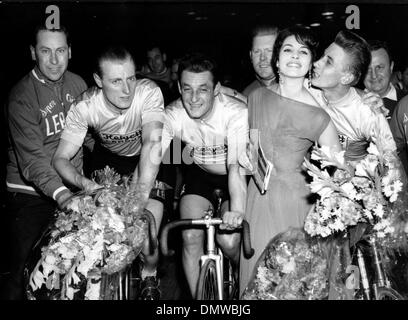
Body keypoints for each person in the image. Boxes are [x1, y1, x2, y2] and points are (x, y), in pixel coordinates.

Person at [52, 46, 165, 300]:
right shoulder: (85, 105)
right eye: (116, 81)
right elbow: (60, 158)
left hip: (149, 155)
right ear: (98, 81)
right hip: (110, 160)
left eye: (131, 78)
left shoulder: (148, 92)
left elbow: (152, 144)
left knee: (147, 233)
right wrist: (87, 185)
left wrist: (137, 201)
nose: (127, 90)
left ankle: (150, 276)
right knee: (102, 238)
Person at [239, 25, 342, 295]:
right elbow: (250, 144)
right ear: (277, 58)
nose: (295, 56)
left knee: (289, 284)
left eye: (303, 51)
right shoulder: (256, 97)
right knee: (256, 281)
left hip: (294, 206)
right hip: (257, 197)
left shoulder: (318, 115)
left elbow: (339, 173)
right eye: (288, 49)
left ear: (310, 62)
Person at [3, 25, 87, 300]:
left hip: (71, 189)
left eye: (60, 51)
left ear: (70, 52)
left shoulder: (78, 85)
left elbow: (90, 138)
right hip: (31, 193)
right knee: (27, 271)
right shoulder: (21, 96)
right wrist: (62, 194)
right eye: (46, 51)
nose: (54, 60)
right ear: (33, 53)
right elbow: (33, 161)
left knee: (79, 267)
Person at [161, 53, 248, 298]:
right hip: (201, 175)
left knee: (229, 242)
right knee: (190, 236)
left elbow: (236, 167)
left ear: (217, 89)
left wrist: (238, 211)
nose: (194, 98)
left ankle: (243, 279)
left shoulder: (236, 112)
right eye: (187, 89)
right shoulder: (173, 114)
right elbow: (151, 160)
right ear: (179, 87)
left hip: (234, 175)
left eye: (203, 89)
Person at [363, 40, 405, 120]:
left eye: (379, 67)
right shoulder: (351, 104)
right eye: (367, 69)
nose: (374, 75)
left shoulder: (405, 102)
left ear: (391, 67)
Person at [242, 24, 279, 96]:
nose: (262, 57)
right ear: (251, 56)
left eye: (269, 51)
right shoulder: (247, 94)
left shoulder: (297, 88)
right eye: (257, 51)